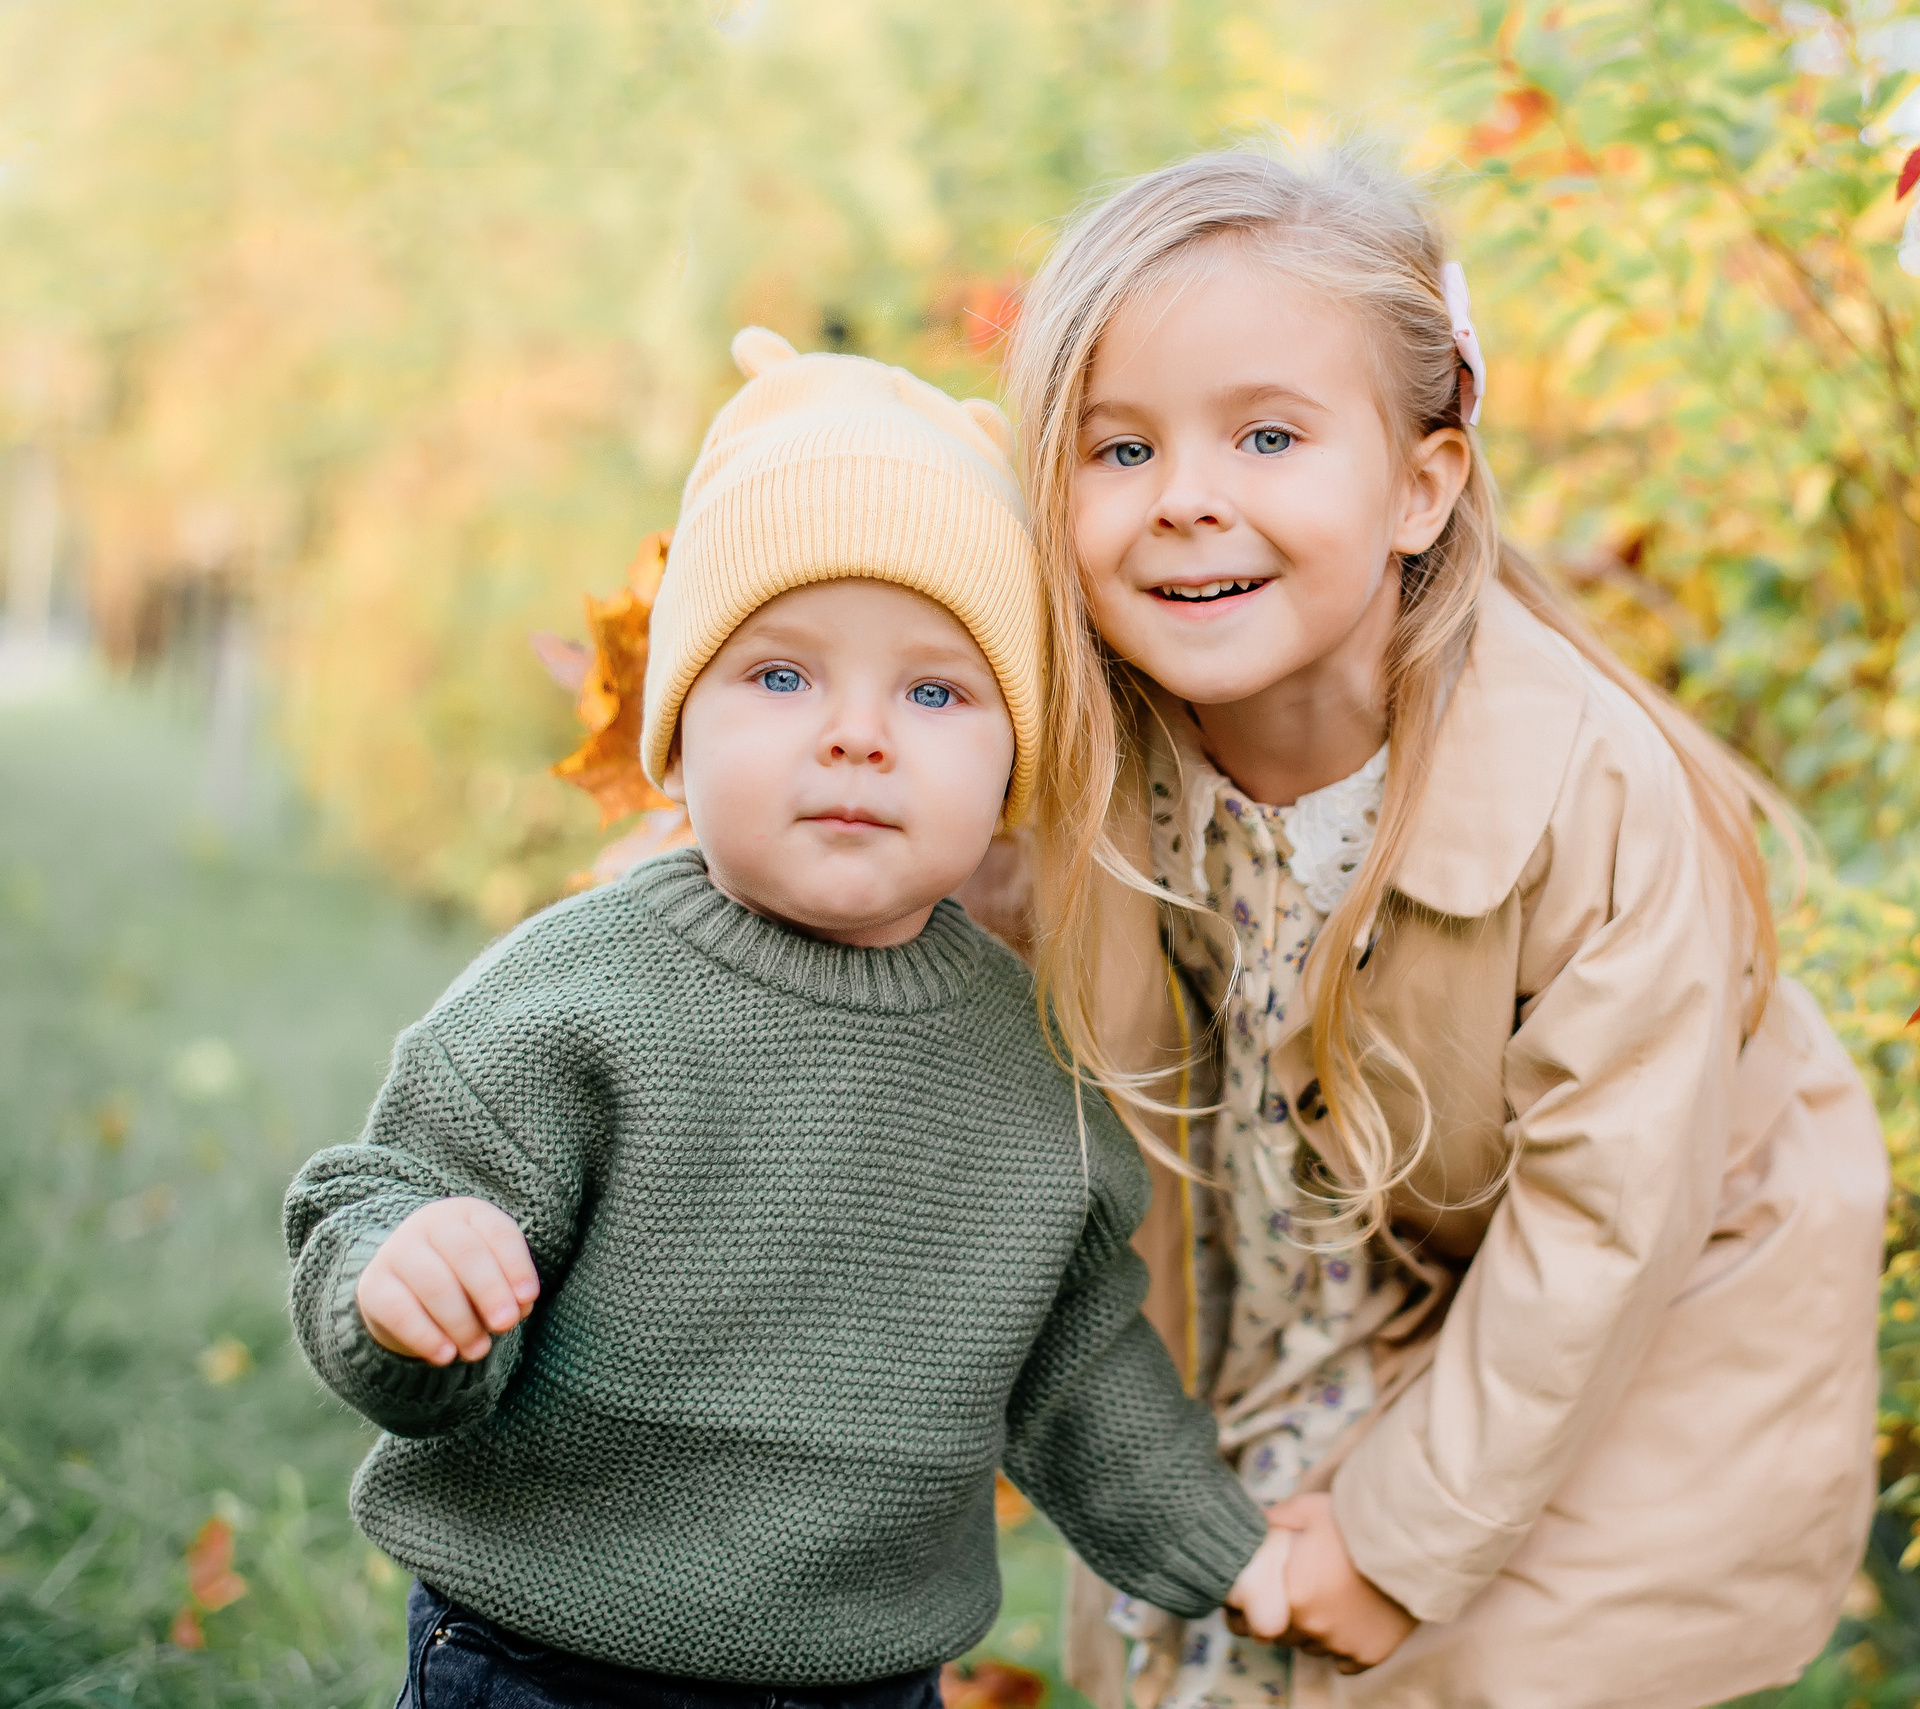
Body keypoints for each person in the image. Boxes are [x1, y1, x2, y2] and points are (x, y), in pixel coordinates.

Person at [283, 331, 1290, 1709]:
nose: (857, 735)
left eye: (935, 691)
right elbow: (376, 1200)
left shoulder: (1023, 1063)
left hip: (865, 1676)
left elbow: (1080, 1358)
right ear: (680, 719)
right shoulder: (582, 998)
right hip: (548, 1656)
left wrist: (1225, 1552)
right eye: (781, 675)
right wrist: (400, 1280)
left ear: (1013, 757)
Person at [1004, 145, 1891, 1709]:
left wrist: (1398, 1538)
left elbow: (1604, 1229)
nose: (1186, 496)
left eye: (1267, 434)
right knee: (1220, 1641)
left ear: (1423, 482)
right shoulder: (1095, 755)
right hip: (1325, 1279)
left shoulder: (1591, 795)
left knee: (1455, 1656)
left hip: (1641, 1312)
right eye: (1117, 449)